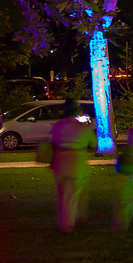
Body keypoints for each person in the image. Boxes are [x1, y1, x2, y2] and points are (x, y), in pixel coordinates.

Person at [47, 100, 95, 233]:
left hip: (60, 162)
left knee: (63, 194)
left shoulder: (58, 126)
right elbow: (94, 143)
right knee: (72, 194)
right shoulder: (82, 127)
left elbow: (53, 141)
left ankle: (70, 218)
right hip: (76, 162)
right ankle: (68, 223)